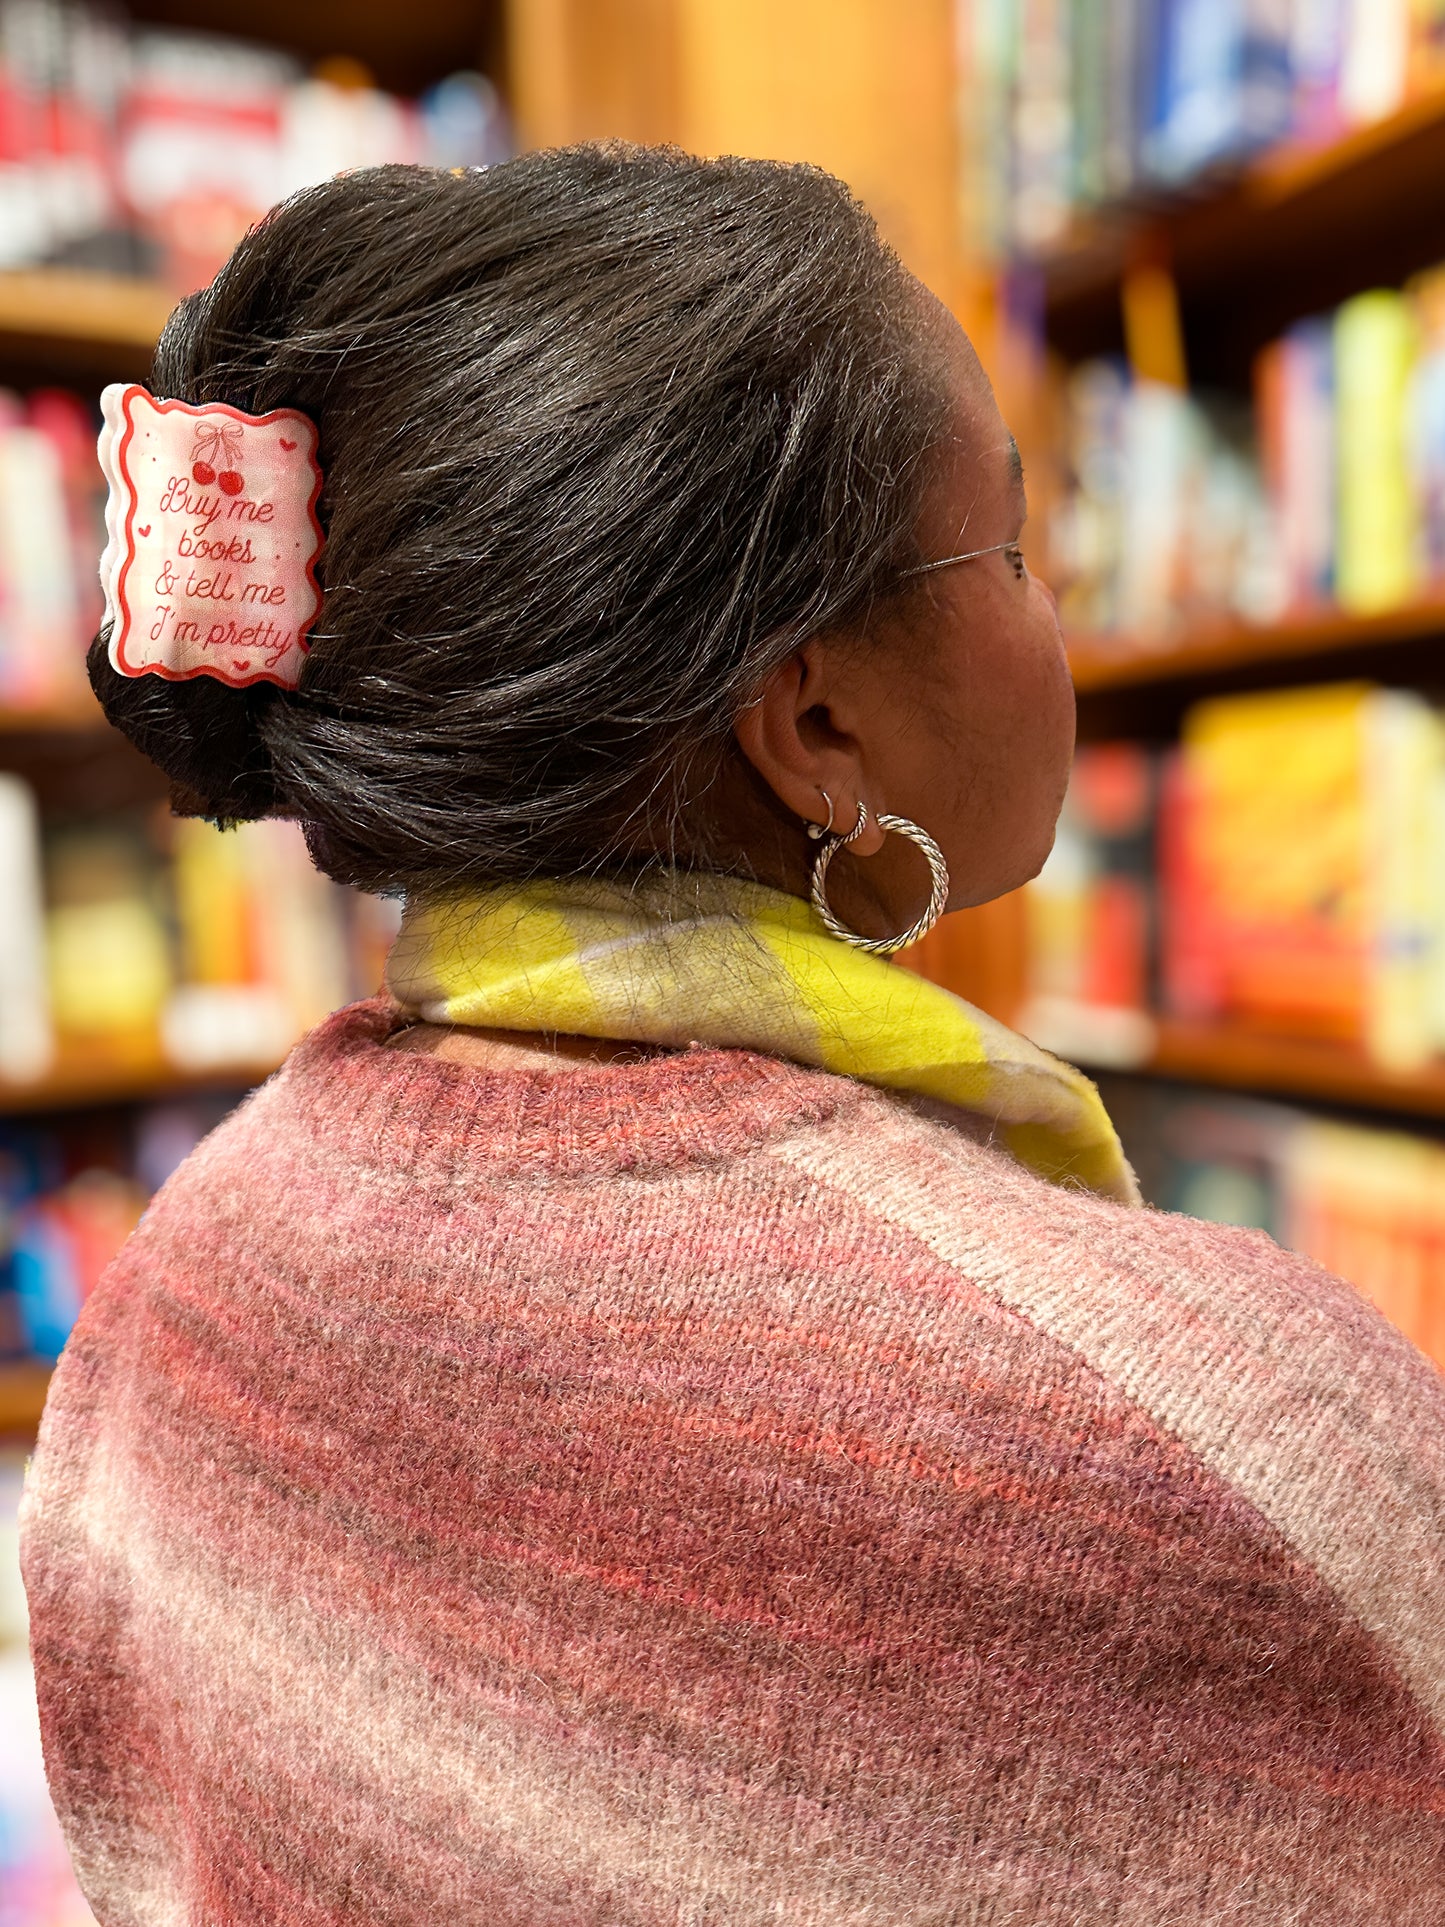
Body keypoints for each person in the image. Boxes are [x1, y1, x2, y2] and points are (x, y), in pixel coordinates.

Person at [18, 145, 1445, 1926]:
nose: (1049, 609)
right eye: (1008, 540)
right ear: (817, 717)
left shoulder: (172, 1279)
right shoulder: (1231, 1441)